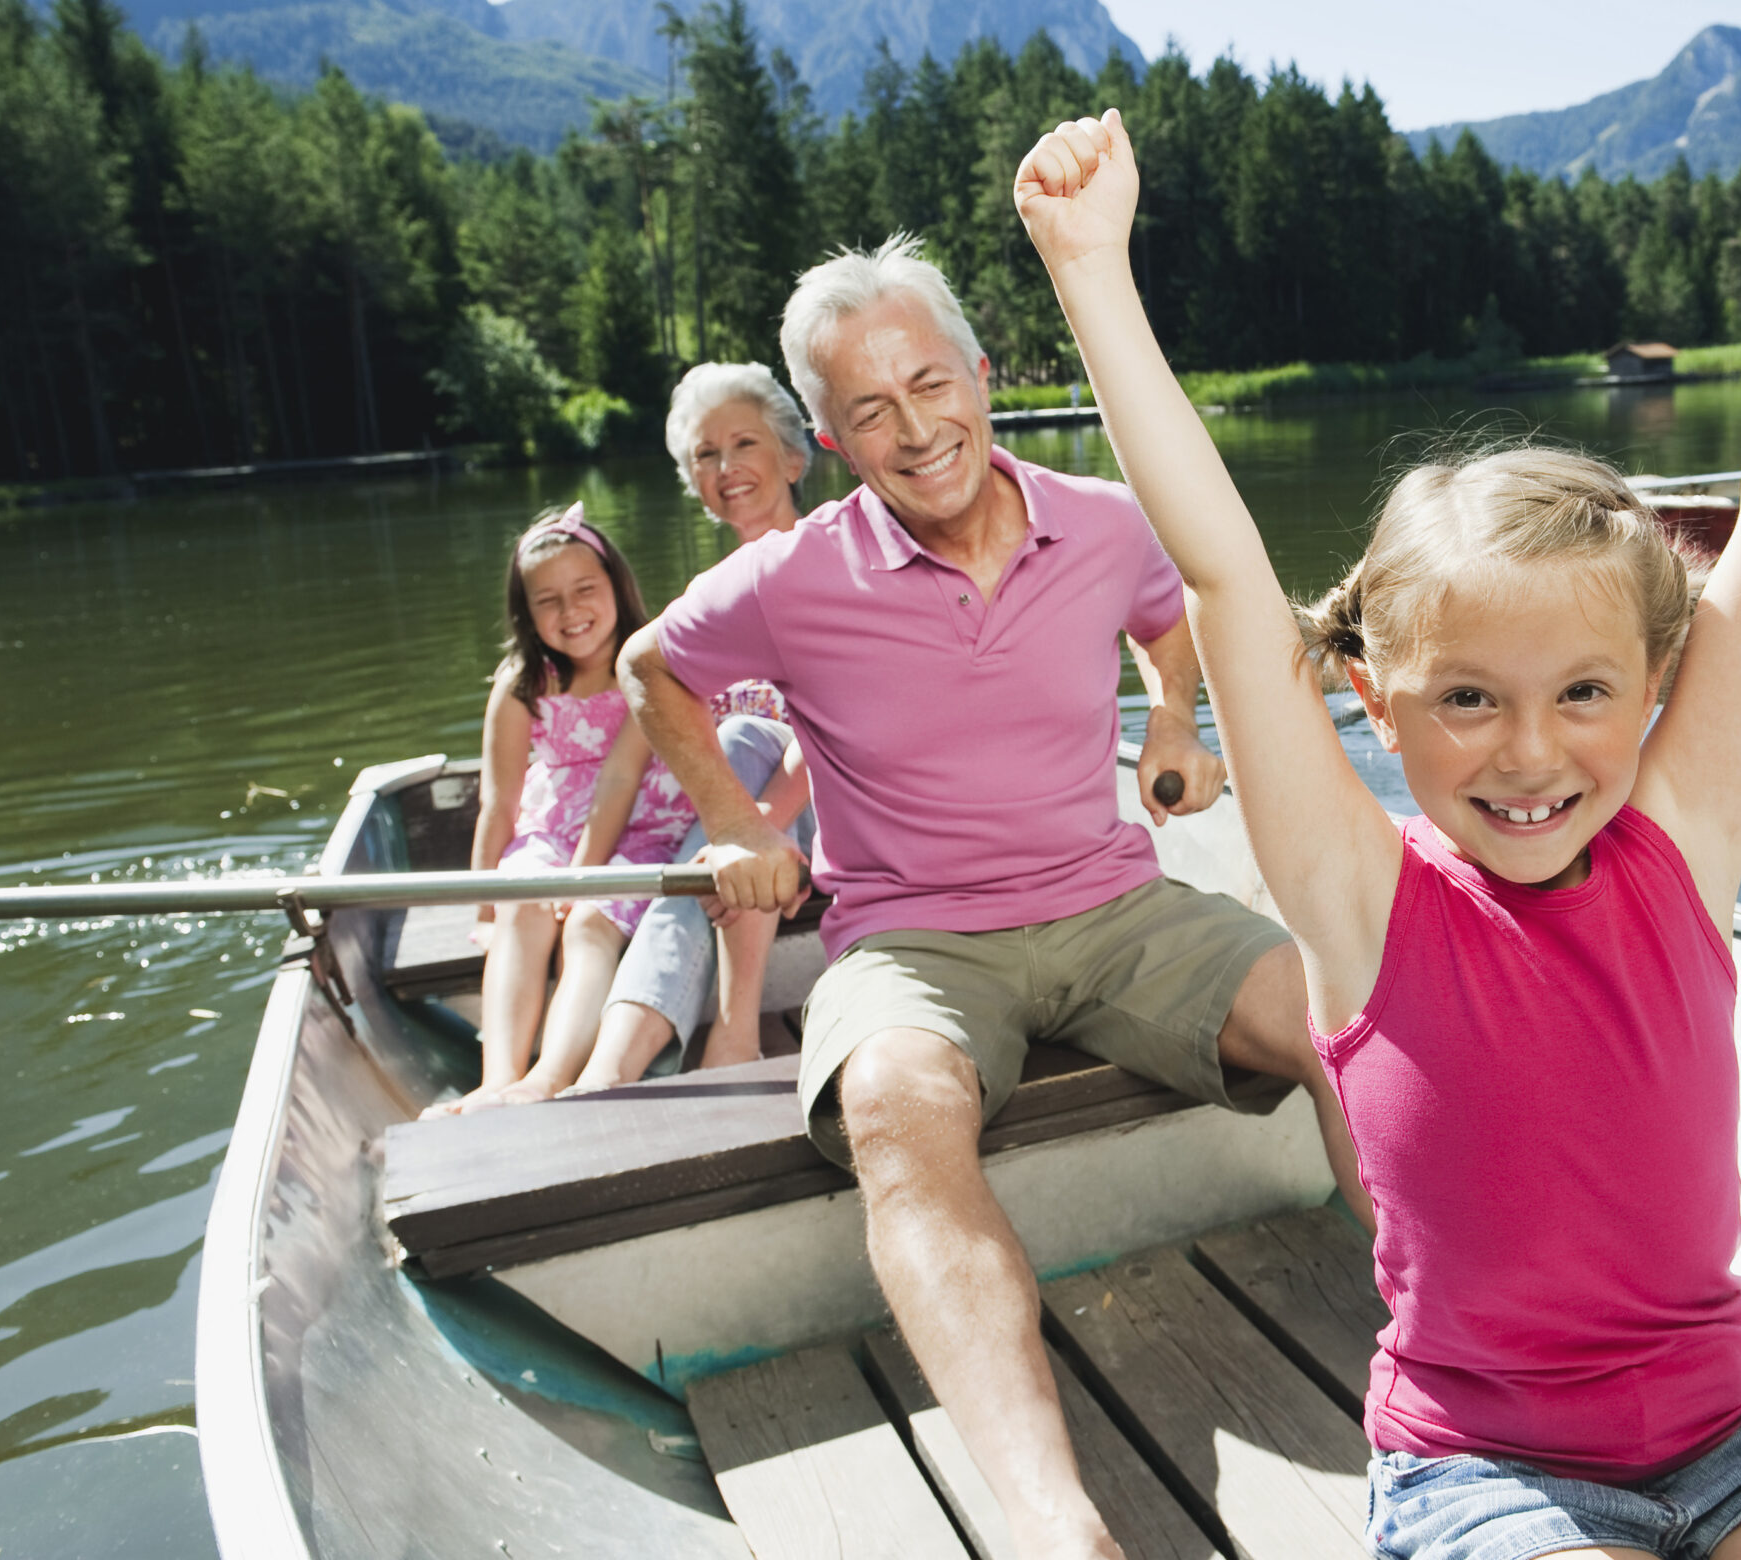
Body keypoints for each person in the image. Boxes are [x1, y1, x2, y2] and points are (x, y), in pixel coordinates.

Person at [1013, 51, 1741, 1559]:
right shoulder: (1360, 900)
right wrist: (1091, 273)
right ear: (1379, 703)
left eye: (1584, 694)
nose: (1531, 751)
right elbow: (1218, 576)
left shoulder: (1683, 845)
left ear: (1654, 682)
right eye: (1469, 699)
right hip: (1490, 1471)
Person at [622, 233, 1367, 1560]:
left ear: (980, 370)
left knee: (1346, 1012)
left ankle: (1484, 1358)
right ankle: (1054, 1521)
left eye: (930, 382)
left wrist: (1178, 720)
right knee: (900, 1112)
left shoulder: (1103, 521)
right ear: (834, 442)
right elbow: (646, 667)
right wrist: (735, 826)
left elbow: (1169, 611)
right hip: (915, 943)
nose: (915, 429)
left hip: (1118, 912)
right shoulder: (792, 579)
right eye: (869, 411)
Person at [563, 363, 822, 1091]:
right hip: (736, 820)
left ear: (793, 458)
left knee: (738, 747)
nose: (726, 466)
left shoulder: (829, 563)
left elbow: (835, 715)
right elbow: (649, 720)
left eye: (745, 443)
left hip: (825, 795)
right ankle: (613, 1071)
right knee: (716, 817)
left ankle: (718, 1041)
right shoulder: (703, 601)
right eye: (706, 455)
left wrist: (761, 821)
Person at [425, 502, 699, 1117]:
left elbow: (619, 785)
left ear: (616, 588)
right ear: (526, 612)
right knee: (522, 902)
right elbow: (497, 803)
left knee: (587, 923)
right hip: (550, 835)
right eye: (547, 600)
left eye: (585, 590)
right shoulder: (524, 683)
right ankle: (497, 1077)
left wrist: (581, 878)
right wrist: (486, 905)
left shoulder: (647, 664)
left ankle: (550, 1075)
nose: (570, 612)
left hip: (638, 830)